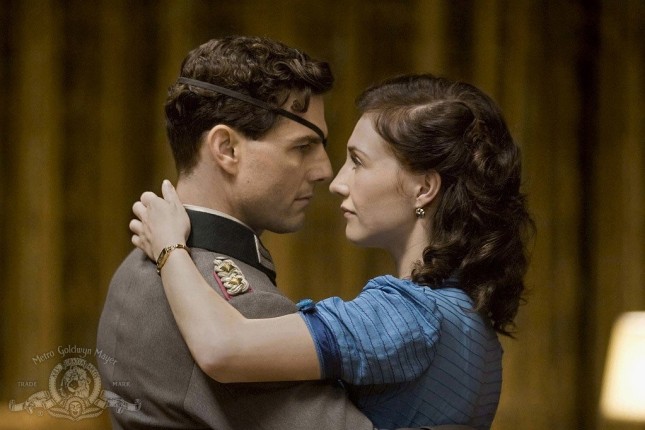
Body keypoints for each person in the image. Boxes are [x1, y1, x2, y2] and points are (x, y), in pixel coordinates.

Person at [129, 73, 535, 429]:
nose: (338, 182)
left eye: (358, 162)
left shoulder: (406, 316)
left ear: (424, 187)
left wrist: (169, 245)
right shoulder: (471, 319)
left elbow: (224, 349)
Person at [96, 35, 381, 430]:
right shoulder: (239, 307)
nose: (324, 170)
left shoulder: (135, 267)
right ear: (226, 148)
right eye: (303, 147)